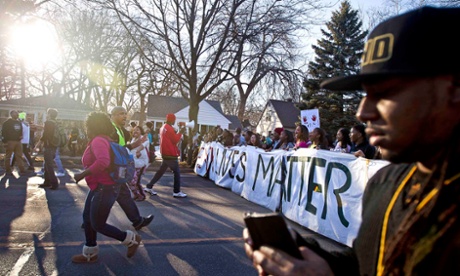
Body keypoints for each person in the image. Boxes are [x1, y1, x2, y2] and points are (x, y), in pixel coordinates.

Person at [243, 6, 460, 275]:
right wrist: (311, 256)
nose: (363, 112)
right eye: (365, 93)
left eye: (386, 93)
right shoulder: (385, 183)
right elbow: (366, 263)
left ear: (452, 91)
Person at [72, 112, 141, 263]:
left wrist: (82, 174)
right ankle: (90, 253)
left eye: (87, 126)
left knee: (97, 223)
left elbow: (103, 161)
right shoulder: (104, 140)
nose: (86, 129)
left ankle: (130, 240)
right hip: (100, 186)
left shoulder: (98, 141)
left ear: (93, 126)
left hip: (105, 187)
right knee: (88, 219)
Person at [110, 106, 154, 230]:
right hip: (113, 169)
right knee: (101, 196)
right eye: (120, 114)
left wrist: (134, 145)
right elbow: (115, 150)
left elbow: (121, 148)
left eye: (125, 113)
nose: (124, 116)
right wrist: (134, 145)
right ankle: (91, 221)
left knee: (122, 194)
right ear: (112, 115)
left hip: (118, 168)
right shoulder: (111, 129)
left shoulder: (119, 129)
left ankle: (137, 220)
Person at [143, 113, 187, 198]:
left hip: (165, 153)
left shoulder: (163, 127)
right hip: (170, 154)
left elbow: (171, 138)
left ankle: (149, 186)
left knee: (160, 171)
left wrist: (177, 132)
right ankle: (176, 191)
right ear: (172, 120)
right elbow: (175, 140)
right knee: (177, 173)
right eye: (174, 120)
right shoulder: (169, 128)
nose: (174, 121)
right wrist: (180, 132)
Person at [36, 108, 60, 189]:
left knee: (49, 165)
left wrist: (38, 144)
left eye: (47, 113)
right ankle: (47, 182)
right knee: (47, 164)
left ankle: (54, 183)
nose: (47, 115)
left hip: (49, 145)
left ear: (49, 114)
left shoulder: (48, 123)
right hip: (54, 145)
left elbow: (45, 135)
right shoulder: (56, 123)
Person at [2, 110, 28, 176]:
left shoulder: (18, 122)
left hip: (18, 141)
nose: (17, 115)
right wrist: (4, 141)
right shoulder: (7, 123)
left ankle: (22, 169)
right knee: (8, 156)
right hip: (10, 141)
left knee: (19, 156)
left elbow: (20, 130)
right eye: (15, 113)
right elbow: (3, 132)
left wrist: (21, 135)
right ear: (12, 114)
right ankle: (8, 169)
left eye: (17, 113)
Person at [128, 126, 149, 201]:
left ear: (141, 131)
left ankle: (141, 195)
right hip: (133, 163)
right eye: (134, 130)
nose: (135, 131)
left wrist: (138, 150)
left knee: (135, 181)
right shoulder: (133, 140)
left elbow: (144, 145)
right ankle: (136, 194)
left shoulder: (143, 138)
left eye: (137, 130)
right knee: (130, 180)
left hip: (141, 163)